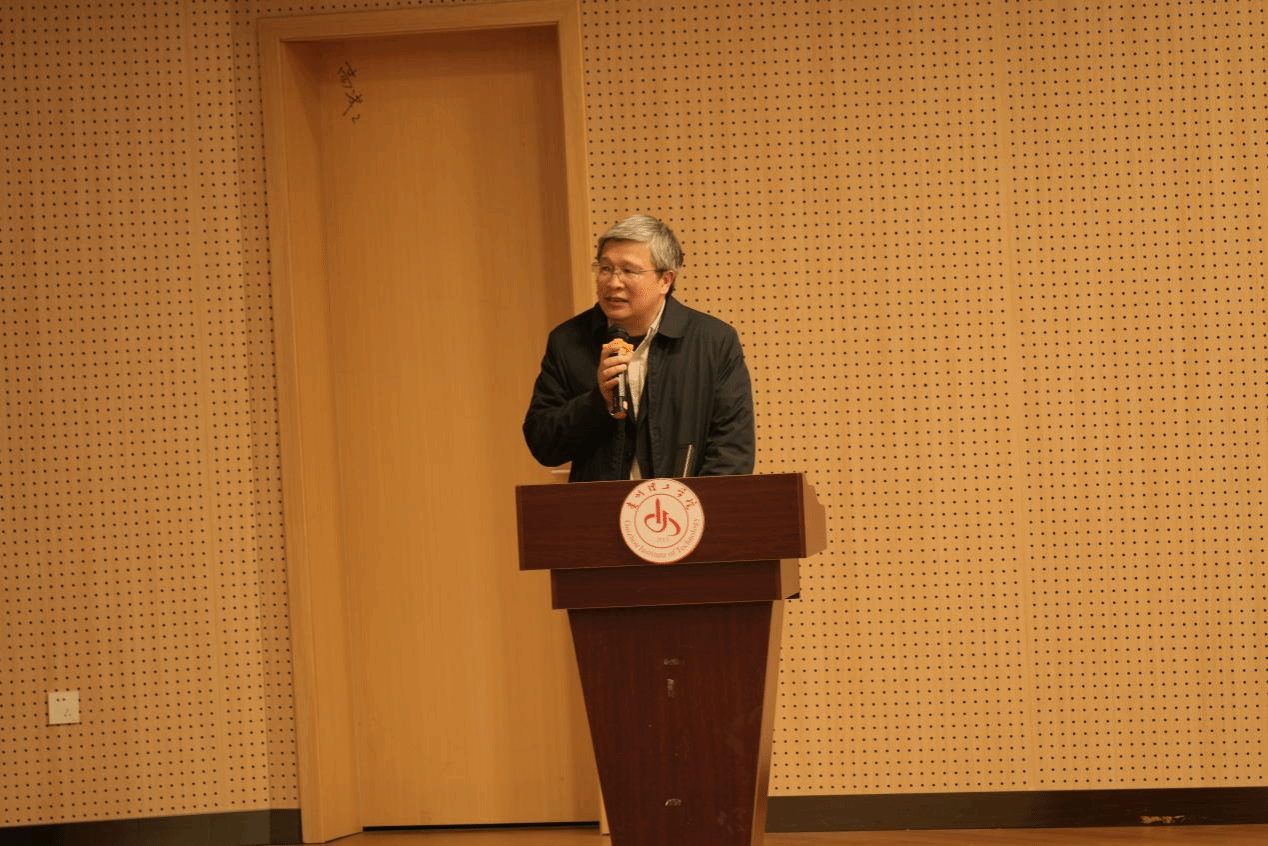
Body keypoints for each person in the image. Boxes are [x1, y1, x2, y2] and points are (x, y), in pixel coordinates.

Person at [523, 215, 755, 481]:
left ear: (665, 280)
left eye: (629, 271)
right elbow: (543, 444)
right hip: (600, 505)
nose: (613, 282)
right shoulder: (568, 341)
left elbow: (733, 450)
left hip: (685, 504)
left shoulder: (713, 341)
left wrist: (688, 501)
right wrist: (598, 402)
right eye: (605, 268)